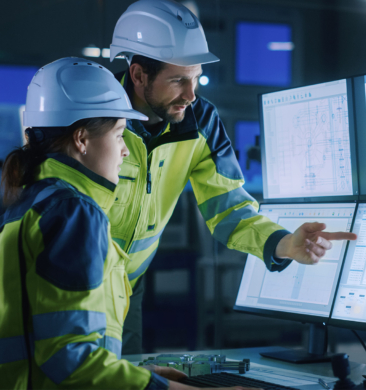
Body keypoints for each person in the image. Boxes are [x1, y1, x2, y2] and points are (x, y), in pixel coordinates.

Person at [108, 0, 358, 354]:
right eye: (178, 80)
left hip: (127, 287)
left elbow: (229, 208)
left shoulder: (201, 122)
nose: (191, 95)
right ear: (138, 75)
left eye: (195, 79)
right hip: (72, 284)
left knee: (123, 376)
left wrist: (282, 244)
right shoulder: (95, 118)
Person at [0, 57, 254, 390]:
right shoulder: (75, 214)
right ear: (81, 139)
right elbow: (70, 358)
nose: (123, 151)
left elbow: (50, 340)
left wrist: (140, 376)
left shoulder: (29, 201)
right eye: (120, 134)